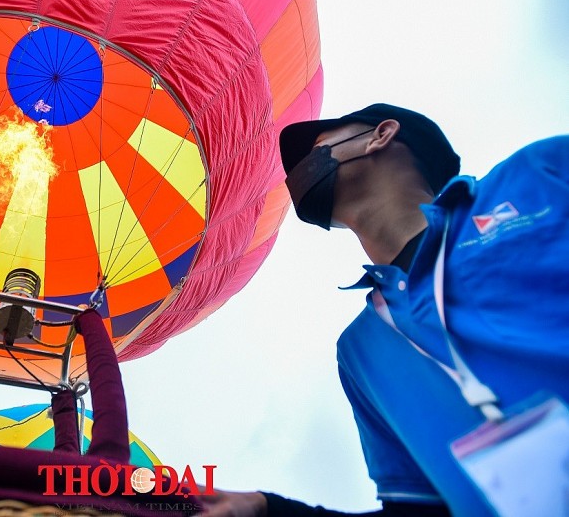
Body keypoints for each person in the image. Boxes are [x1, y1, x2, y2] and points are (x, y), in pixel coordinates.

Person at [201, 104, 569, 516]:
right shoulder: (359, 352)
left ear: (381, 135)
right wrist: (270, 510)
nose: (298, 172)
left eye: (318, 149)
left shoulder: (538, 175)